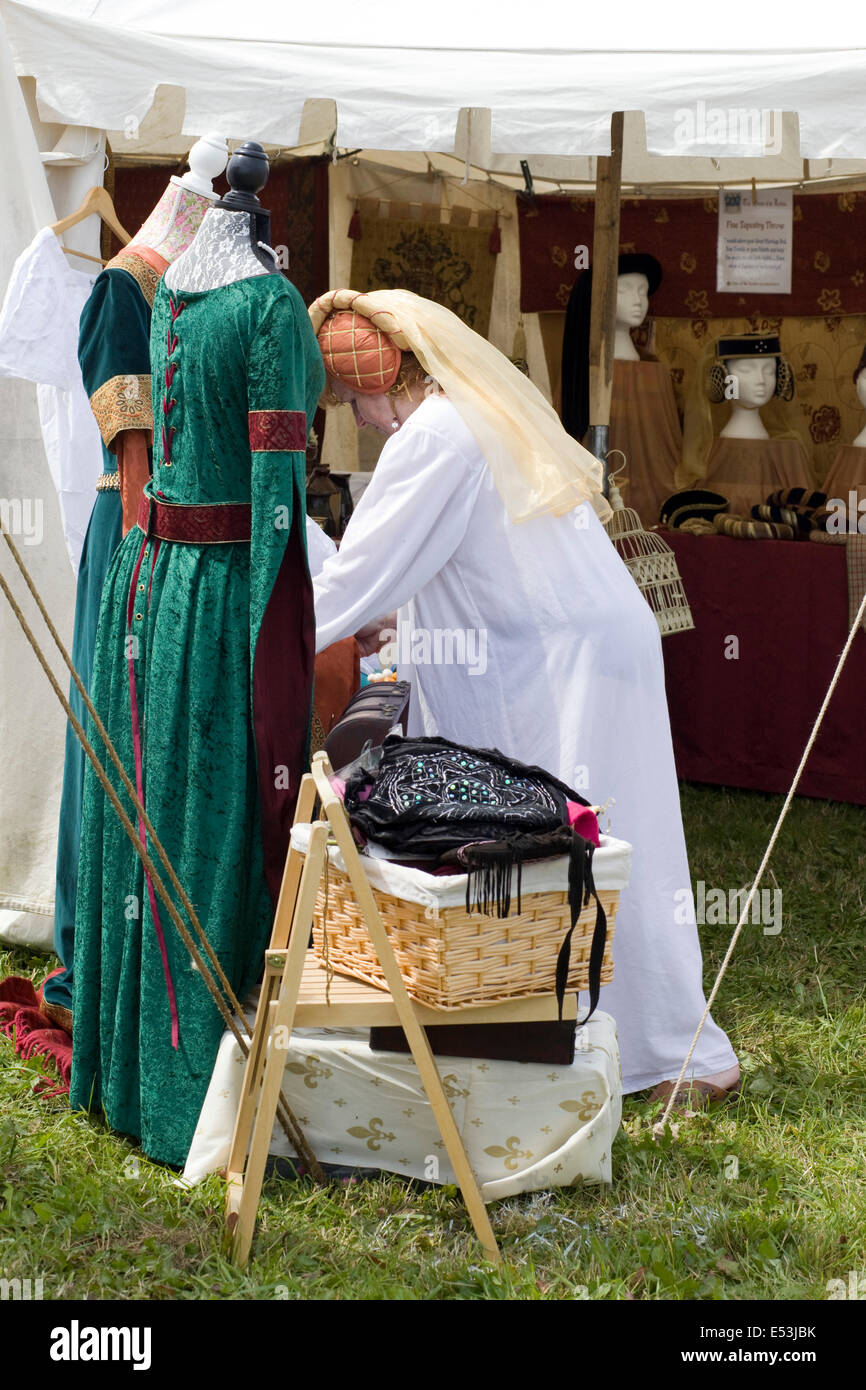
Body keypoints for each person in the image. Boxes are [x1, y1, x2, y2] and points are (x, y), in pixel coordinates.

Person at [308, 288, 740, 1104]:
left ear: (386, 374)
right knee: (621, 840)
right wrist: (380, 616)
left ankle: (625, 1044)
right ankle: (661, 1043)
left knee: (564, 843)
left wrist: (268, 629)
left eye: (355, 398)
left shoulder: (431, 438)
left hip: (553, 661)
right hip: (588, 643)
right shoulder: (472, 414)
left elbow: (352, 582)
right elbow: (474, 553)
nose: (358, 419)